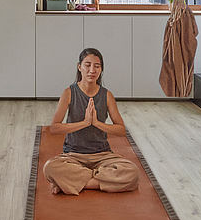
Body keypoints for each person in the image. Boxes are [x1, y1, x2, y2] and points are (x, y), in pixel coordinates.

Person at [42, 48, 139, 195]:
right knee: (50, 167)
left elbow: (121, 130)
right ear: (79, 67)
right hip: (73, 155)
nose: (92, 70)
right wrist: (85, 123)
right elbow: (54, 128)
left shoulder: (107, 95)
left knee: (132, 172)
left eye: (97, 66)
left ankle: (73, 183)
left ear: (101, 70)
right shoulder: (69, 93)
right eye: (87, 65)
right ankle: (100, 180)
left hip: (102, 155)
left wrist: (96, 123)